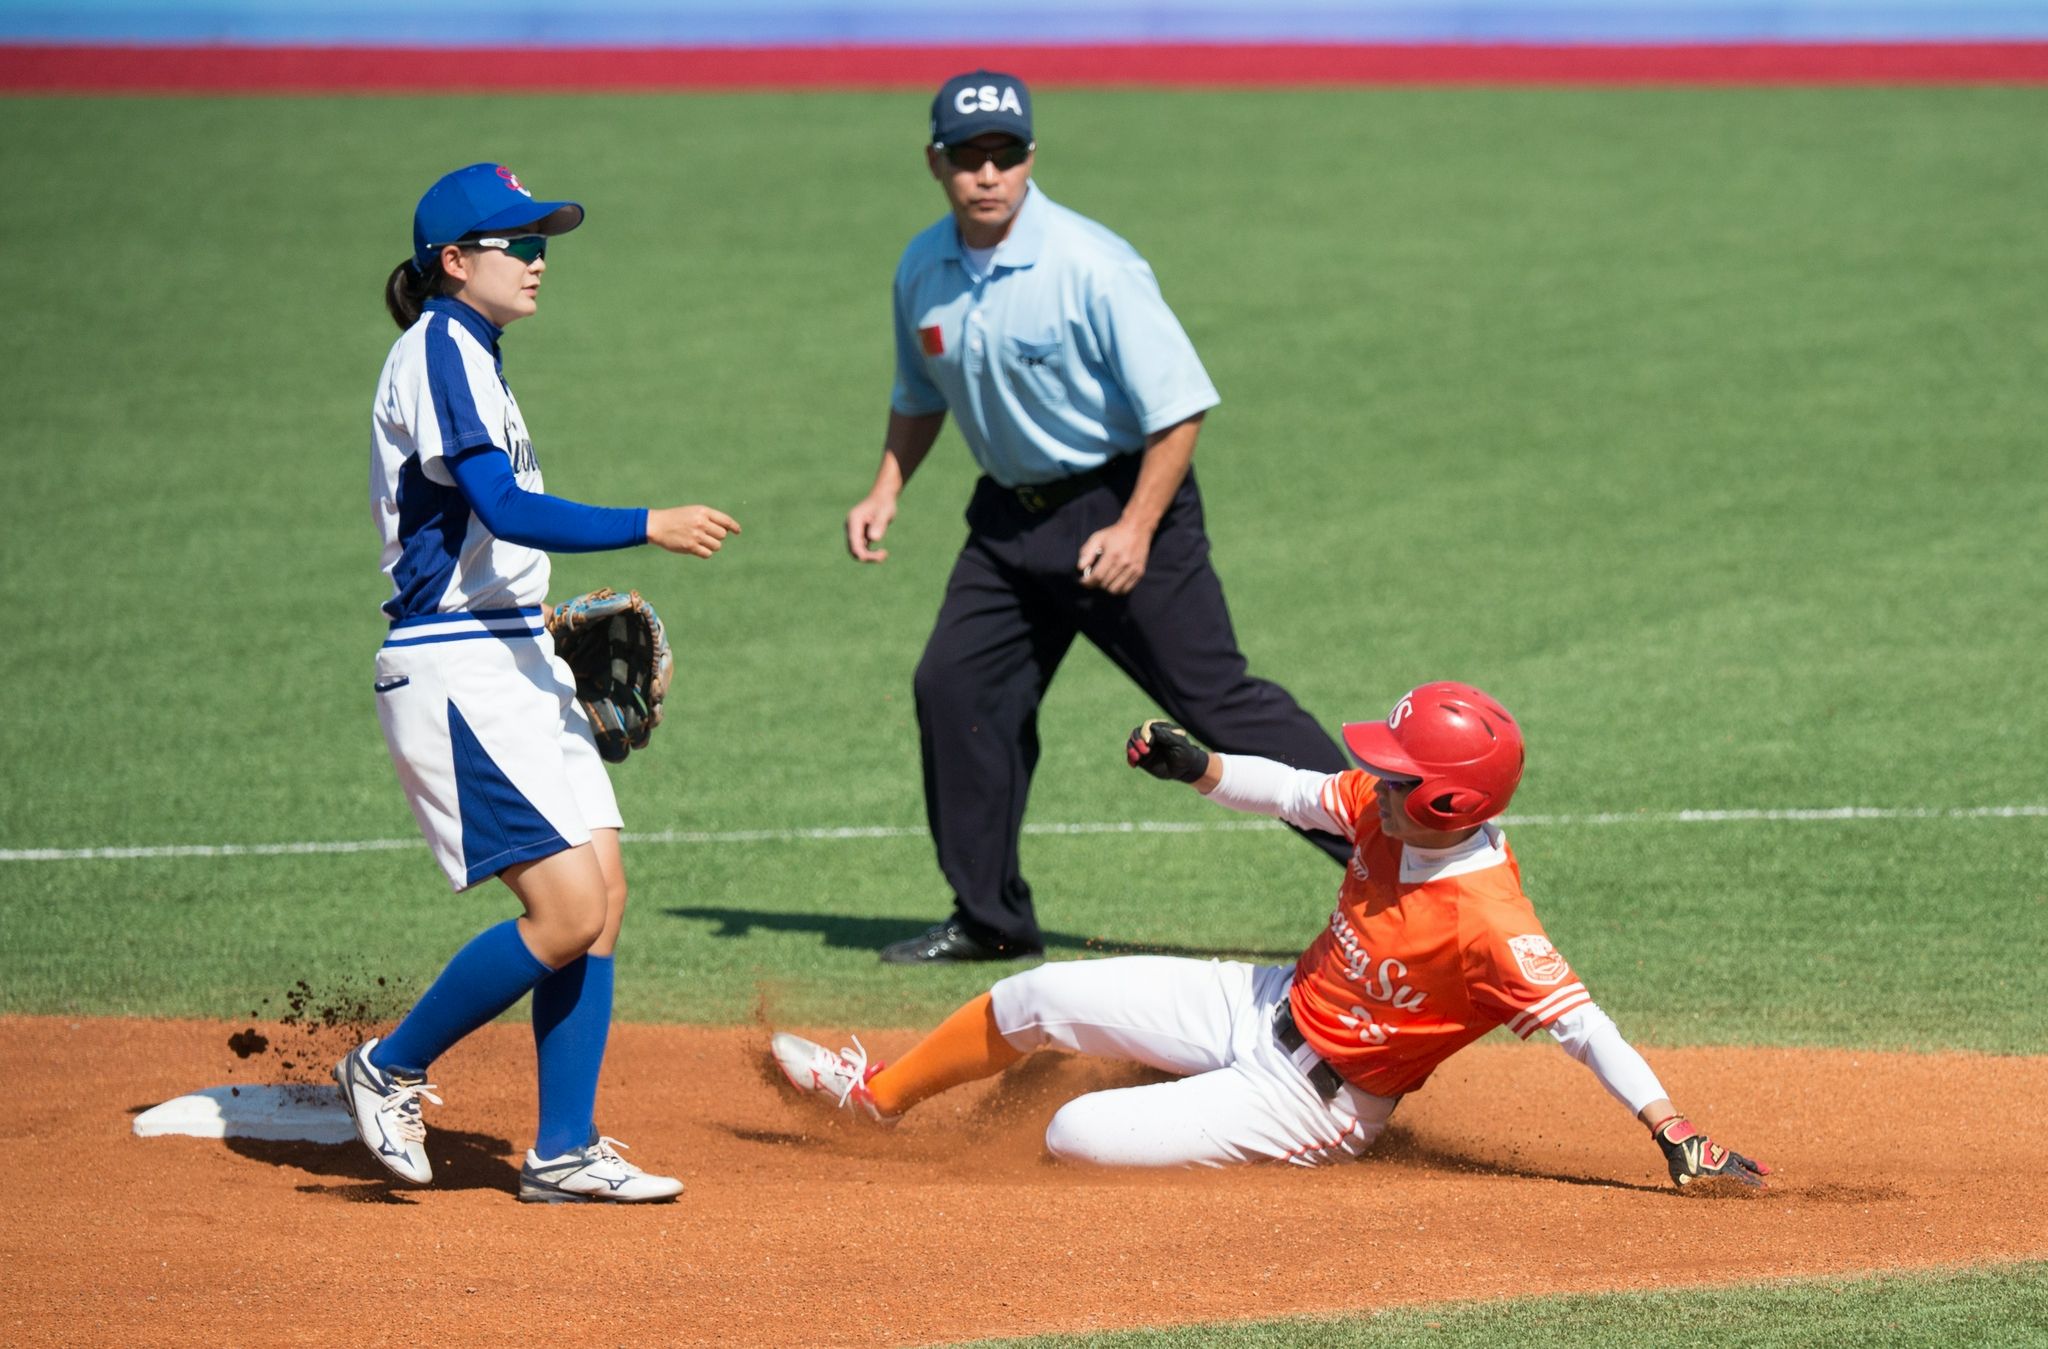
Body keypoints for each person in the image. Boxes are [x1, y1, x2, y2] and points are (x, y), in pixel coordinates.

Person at [770, 683, 1769, 1187]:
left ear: (1451, 801)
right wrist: (1200, 767)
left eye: (1398, 769)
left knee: (1073, 1133)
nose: (1375, 774)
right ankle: (875, 1098)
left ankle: (1179, 1101)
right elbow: (1292, 789)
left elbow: (1585, 1026)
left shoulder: (1490, 923)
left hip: (1314, 1102)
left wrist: (1672, 1129)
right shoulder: (1384, 808)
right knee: (1037, 994)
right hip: (1263, 1002)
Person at [846, 70, 1355, 965]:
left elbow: (1180, 409)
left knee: (1216, 701)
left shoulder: (1092, 265)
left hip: (1123, 502)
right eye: (968, 156)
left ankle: (1407, 859)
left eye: (1006, 153)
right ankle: (991, 919)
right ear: (935, 163)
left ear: (1031, 156)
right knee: (956, 690)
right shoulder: (922, 268)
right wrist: (887, 486)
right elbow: (918, 391)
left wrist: (1136, 529)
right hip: (1008, 524)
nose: (988, 173)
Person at [335, 162, 741, 1203]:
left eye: (542, 241)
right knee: (562, 911)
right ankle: (386, 1066)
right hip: (455, 662)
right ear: (453, 261)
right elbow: (503, 507)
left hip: (516, 653)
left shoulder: (478, 351)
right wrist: (648, 523)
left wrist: (539, 631)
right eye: (518, 243)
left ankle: (563, 1148)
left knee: (602, 898)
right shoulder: (438, 347)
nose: (538, 259)